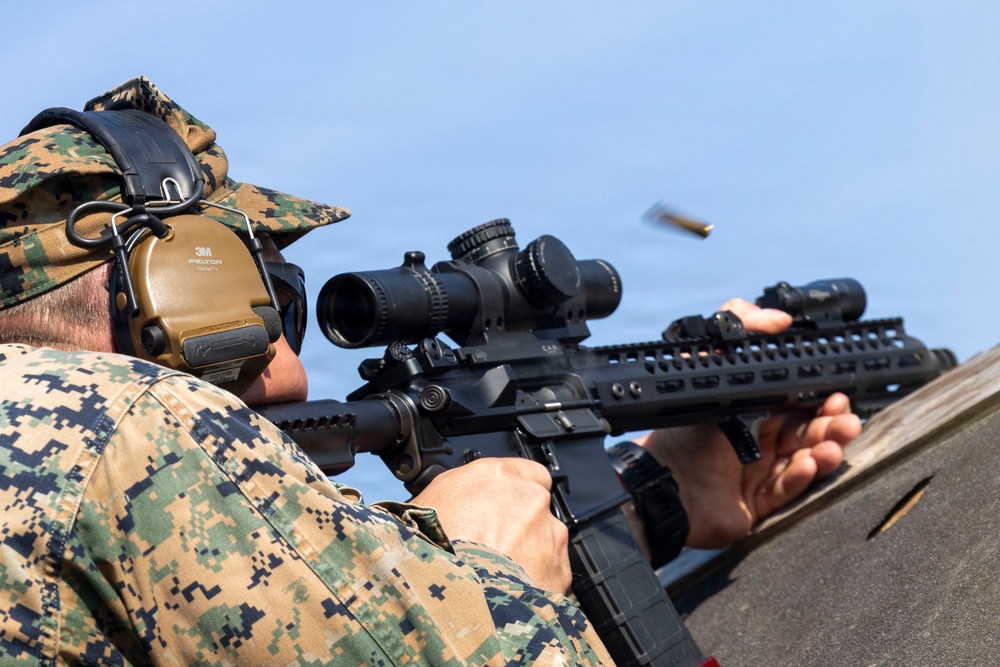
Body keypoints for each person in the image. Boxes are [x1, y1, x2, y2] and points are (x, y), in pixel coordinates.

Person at [0, 77, 859, 665]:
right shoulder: (135, 427)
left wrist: (652, 491)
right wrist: (471, 580)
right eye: (263, 302)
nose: (294, 371)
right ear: (178, 281)